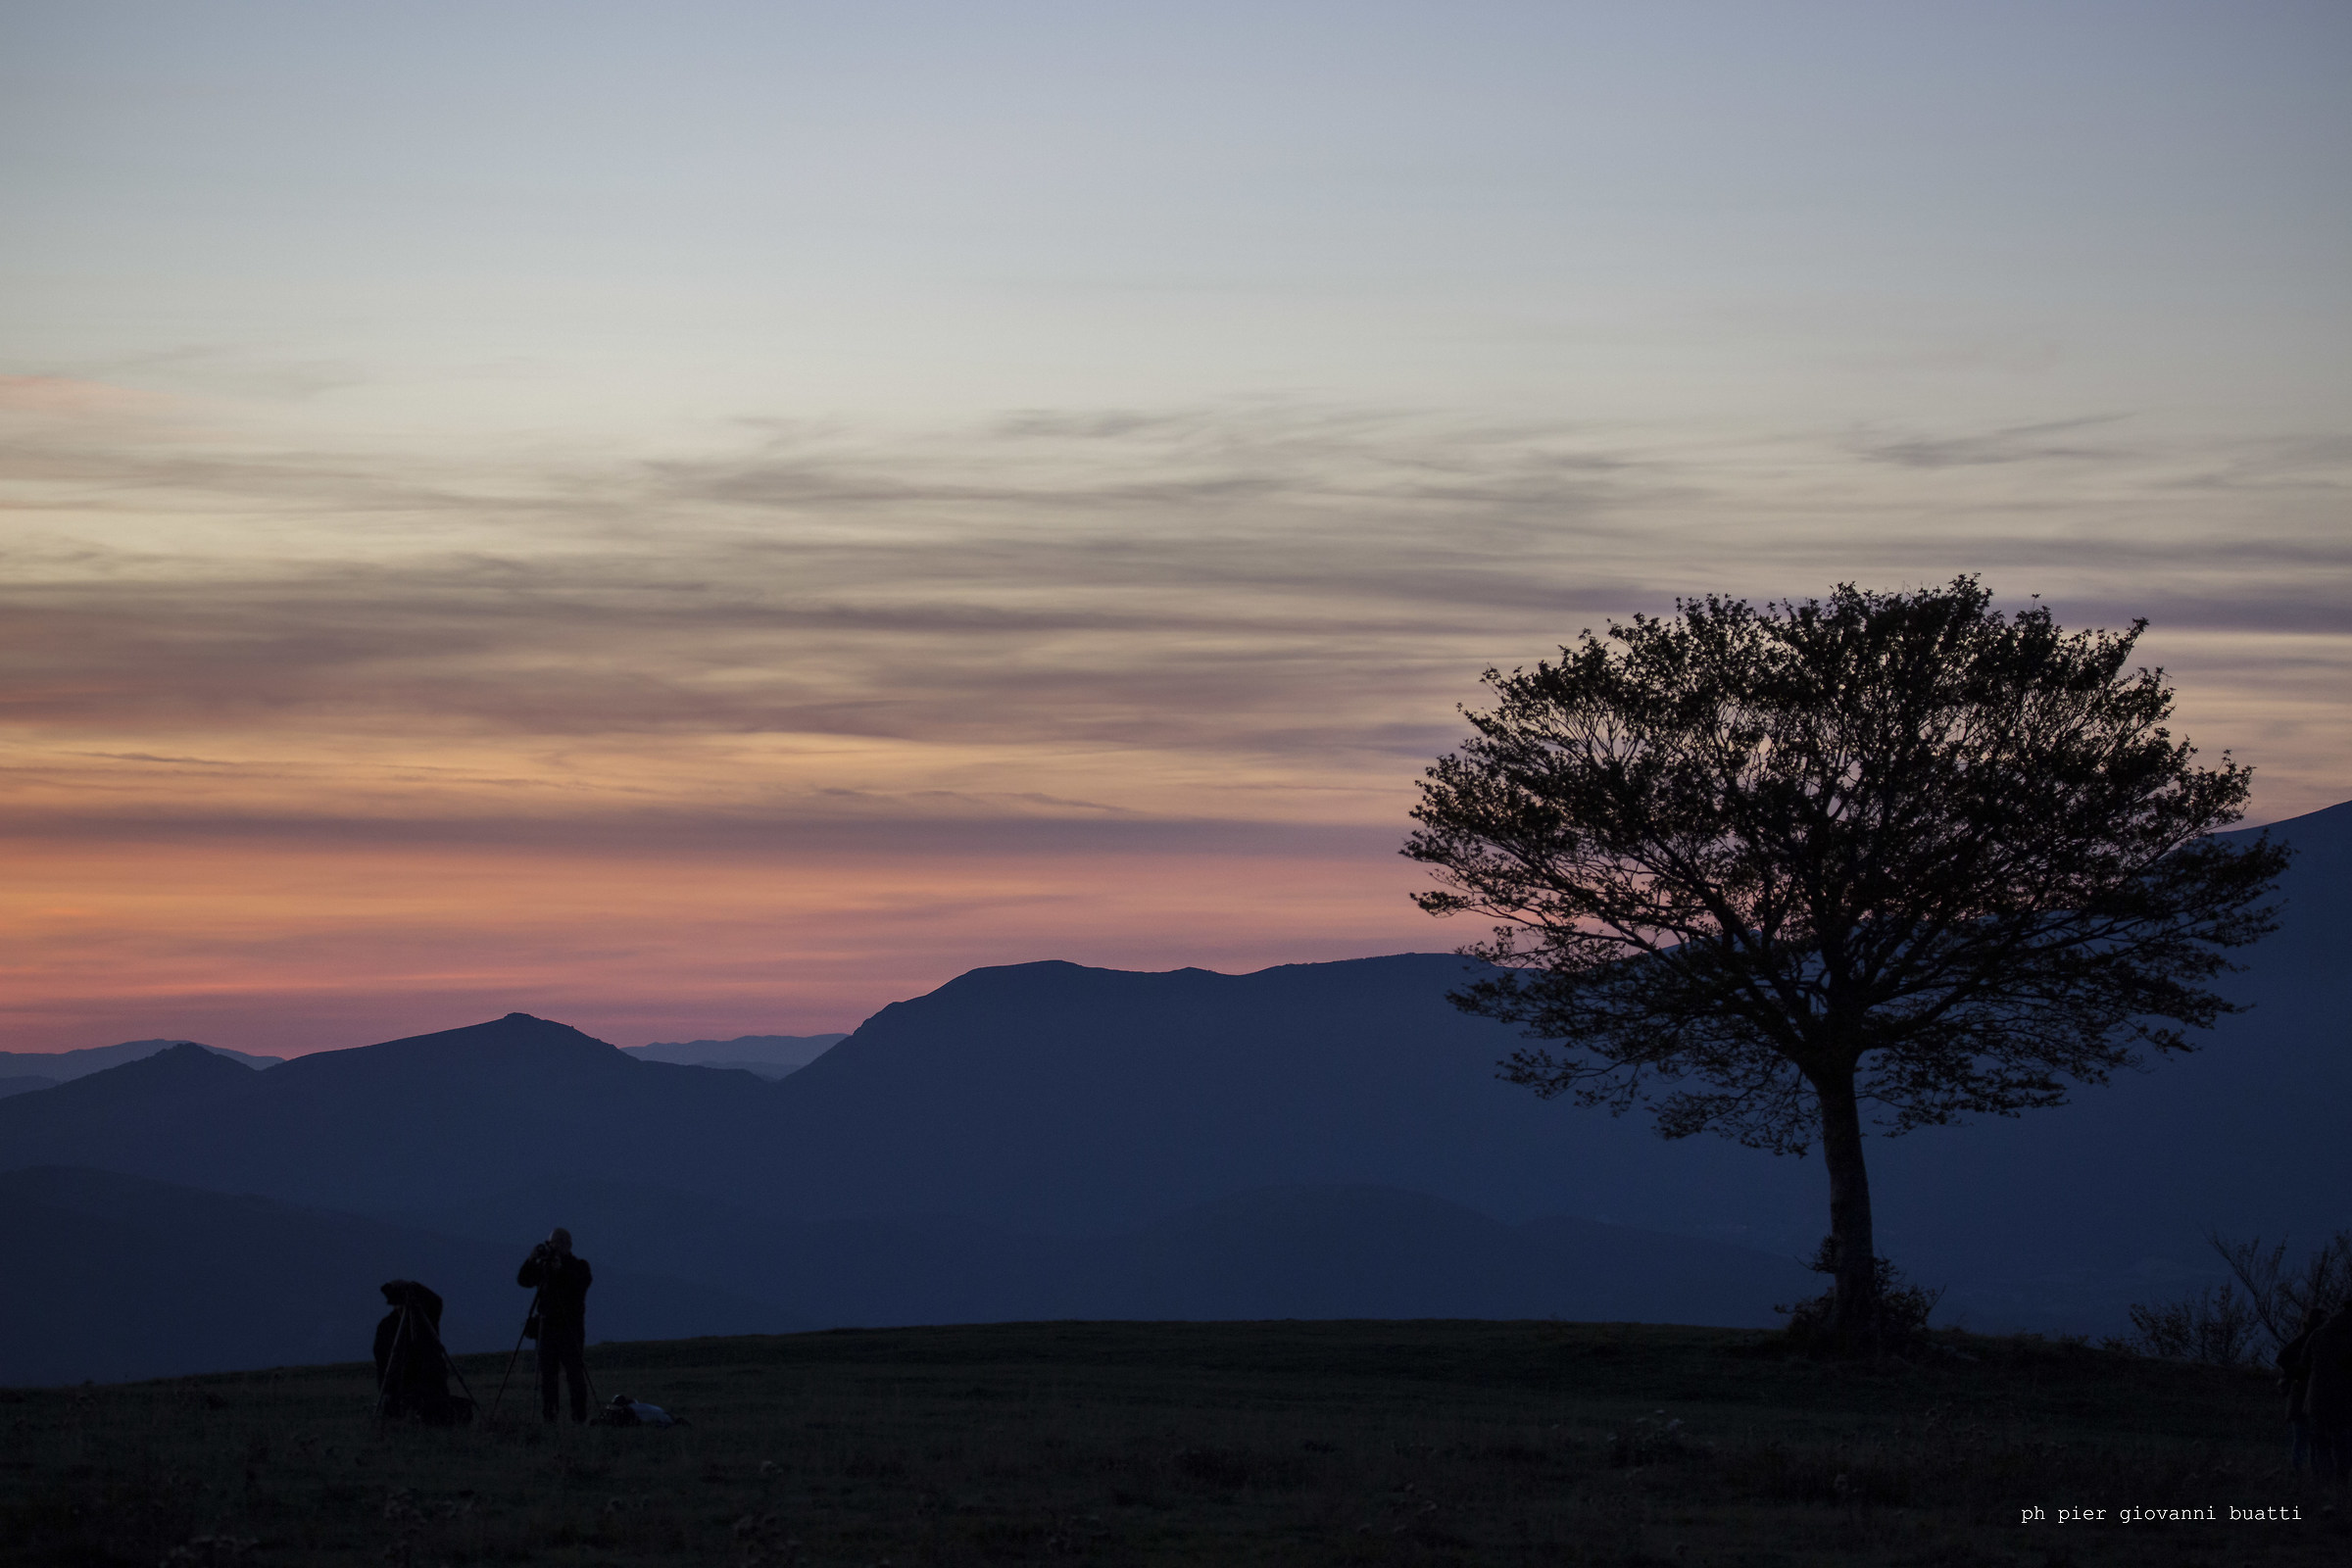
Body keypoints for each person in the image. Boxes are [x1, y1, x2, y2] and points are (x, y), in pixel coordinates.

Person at [516, 1227, 594, 1424]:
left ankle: (579, 1417)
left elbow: (579, 1286)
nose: (554, 1248)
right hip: (547, 1327)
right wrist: (531, 1260)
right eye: (551, 1244)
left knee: (574, 1373)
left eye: (558, 1244)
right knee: (548, 1376)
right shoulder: (544, 1268)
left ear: (568, 1245)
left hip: (570, 1328)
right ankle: (549, 1416)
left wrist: (561, 1270)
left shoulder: (579, 1266)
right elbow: (523, 1280)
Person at [372, 1279, 470, 1424]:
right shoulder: (387, 1326)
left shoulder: (425, 1318)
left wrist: (414, 1288)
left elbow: (436, 1301)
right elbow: (382, 1360)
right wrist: (386, 1389)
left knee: (434, 1407)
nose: (401, 1308)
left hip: (429, 1379)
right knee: (404, 1408)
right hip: (400, 1383)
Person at [2303, 1300, 2352, 1488]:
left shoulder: (2320, 1333)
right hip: (2344, 1398)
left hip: (2317, 1397)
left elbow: (2304, 1364)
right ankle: (2341, 1482)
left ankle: (2325, 1482)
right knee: (2343, 1441)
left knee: (2321, 1442)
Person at [2281, 1305, 2328, 1474]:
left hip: (2302, 1396)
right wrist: (2299, 1373)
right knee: (2308, 1437)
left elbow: (2283, 1358)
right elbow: (2283, 1358)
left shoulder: (2305, 1340)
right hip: (2305, 1396)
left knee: (2305, 1437)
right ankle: (2306, 1471)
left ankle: (2303, 1471)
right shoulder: (2310, 1341)